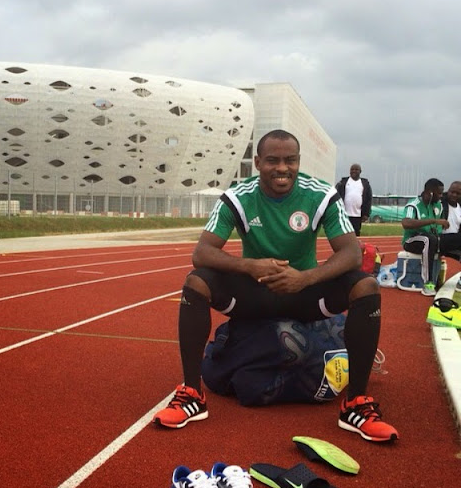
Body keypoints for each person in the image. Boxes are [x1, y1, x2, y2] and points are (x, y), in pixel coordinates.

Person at [153, 129, 398, 443]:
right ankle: (191, 394)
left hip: (304, 293)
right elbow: (202, 253)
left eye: (290, 160)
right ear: (257, 162)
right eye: (273, 161)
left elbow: (351, 253)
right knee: (196, 282)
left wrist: (305, 278)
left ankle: (356, 404)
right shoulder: (238, 197)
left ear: (298, 161)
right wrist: (250, 266)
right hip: (255, 293)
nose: (282, 168)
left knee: (366, 286)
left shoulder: (320, 194)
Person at [401, 178, 447, 296]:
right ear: (430, 193)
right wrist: (432, 221)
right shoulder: (413, 205)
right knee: (428, 239)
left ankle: (440, 276)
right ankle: (428, 283)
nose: (441, 196)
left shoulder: (438, 206)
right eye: (439, 193)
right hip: (411, 240)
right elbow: (406, 223)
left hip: (431, 239)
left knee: (446, 240)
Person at [335, 163, 372, 236]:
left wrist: (366, 214)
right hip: (344, 214)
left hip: (357, 215)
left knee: (355, 233)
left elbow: (368, 199)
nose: (354, 171)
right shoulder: (343, 182)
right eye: (352, 169)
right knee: (343, 233)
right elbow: (336, 196)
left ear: (360, 171)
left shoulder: (365, 184)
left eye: (356, 169)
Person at [439, 181, 461, 259]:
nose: (454, 195)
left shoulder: (459, 207)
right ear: (448, 191)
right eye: (452, 192)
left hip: (454, 241)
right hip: (440, 238)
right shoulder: (440, 203)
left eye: (458, 193)